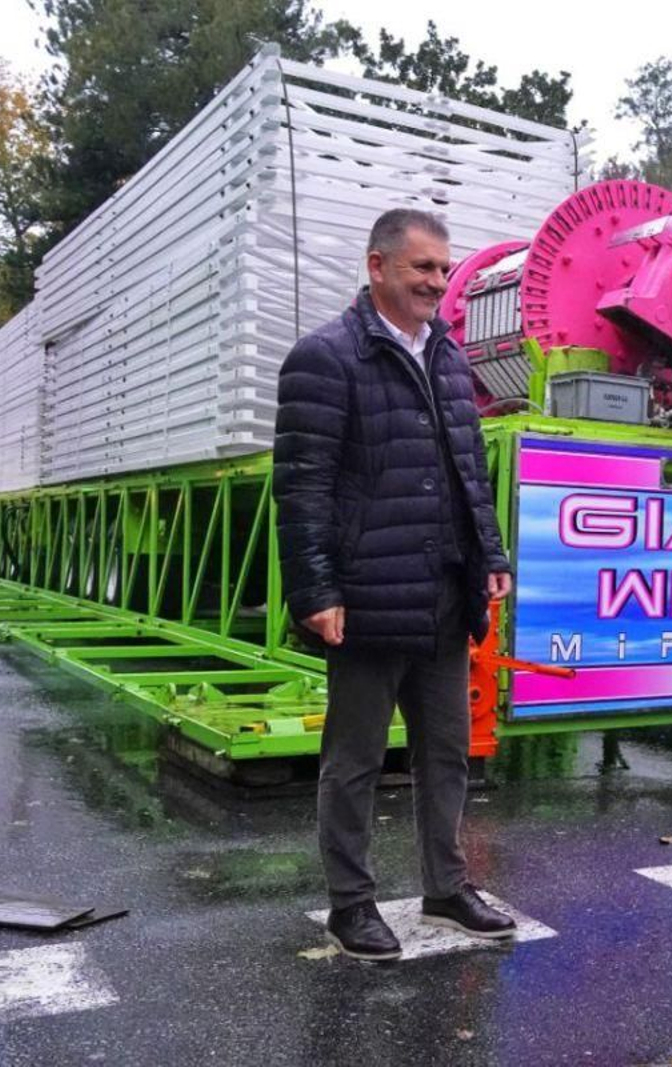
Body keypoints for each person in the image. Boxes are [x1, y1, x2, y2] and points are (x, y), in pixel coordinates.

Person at [274, 208, 518, 960]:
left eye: (444, 269)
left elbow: (469, 470)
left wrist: (490, 554)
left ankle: (447, 888)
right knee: (354, 762)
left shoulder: (449, 357)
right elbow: (303, 488)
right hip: (367, 597)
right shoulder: (324, 357)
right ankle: (351, 903)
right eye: (422, 267)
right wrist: (316, 591)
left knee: (447, 754)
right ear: (377, 266)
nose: (437, 283)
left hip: (443, 593)